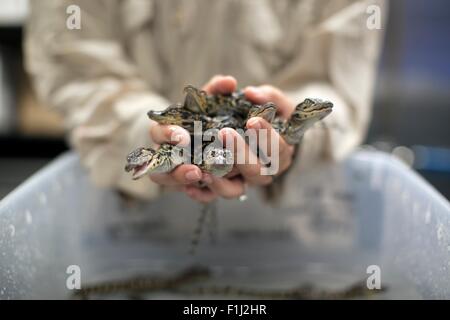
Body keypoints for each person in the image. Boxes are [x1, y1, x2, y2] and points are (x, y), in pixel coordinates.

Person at [25, 0, 385, 205]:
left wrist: (294, 141)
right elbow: (74, 67)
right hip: (128, 215)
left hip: (293, 221)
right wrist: (146, 132)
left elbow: (339, 85)